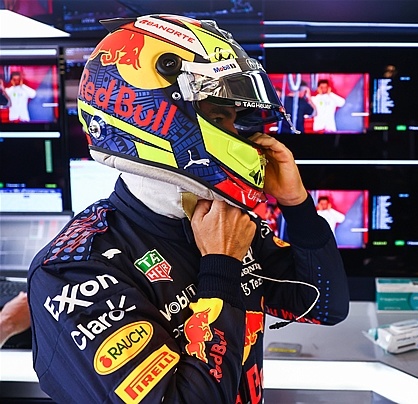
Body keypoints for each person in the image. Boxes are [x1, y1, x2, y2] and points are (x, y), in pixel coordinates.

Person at [27, 14, 349, 404]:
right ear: (153, 114)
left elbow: (325, 305)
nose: (239, 136)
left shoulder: (224, 221)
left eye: (235, 121)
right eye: (219, 118)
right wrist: (220, 267)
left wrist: (296, 205)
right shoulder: (73, 270)